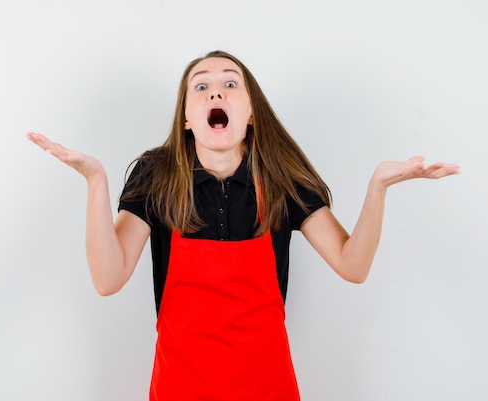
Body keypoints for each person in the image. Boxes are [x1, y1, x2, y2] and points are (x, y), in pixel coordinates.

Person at [27, 50, 459, 401]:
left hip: (267, 390)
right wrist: (96, 181)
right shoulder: (156, 175)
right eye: (201, 86)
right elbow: (107, 277)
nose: (216, 90)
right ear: (186, 119)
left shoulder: (281, 178)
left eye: (230, 83)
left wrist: (378, 187)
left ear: (250, 113)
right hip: (180, 390)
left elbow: (353, 265)